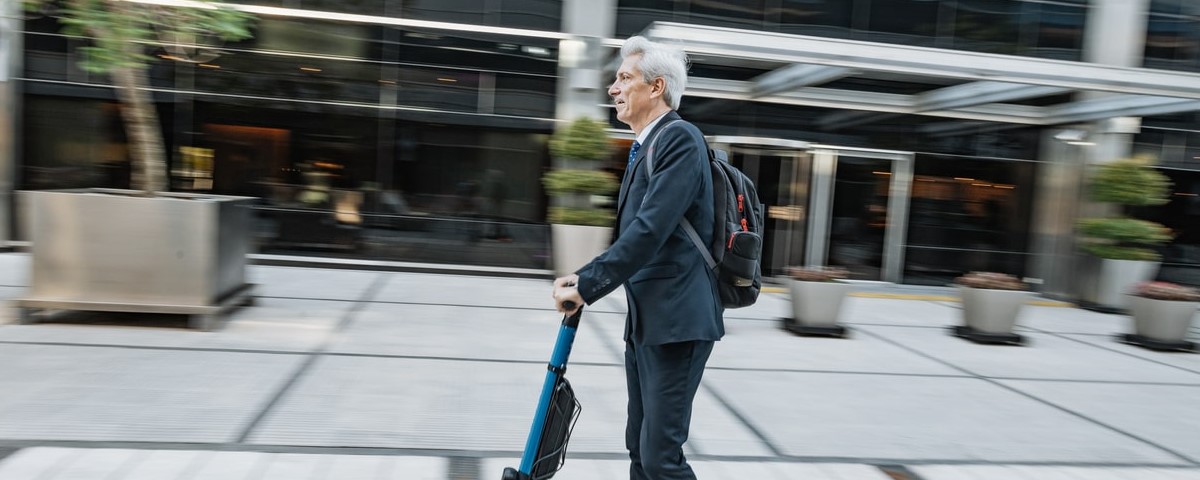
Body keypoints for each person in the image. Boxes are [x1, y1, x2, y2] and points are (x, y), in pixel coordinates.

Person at [552, 36, 721, 480]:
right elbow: (638, 236)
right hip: (649, 322)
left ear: (656, 87)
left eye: (624, 78)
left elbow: (650, 231)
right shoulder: (645, 146)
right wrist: (583, 276)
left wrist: (588, 285)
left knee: (661, 458)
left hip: (678, 324)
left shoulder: (679, 139)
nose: (613, 88)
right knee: (640, 450)